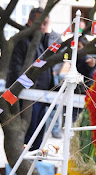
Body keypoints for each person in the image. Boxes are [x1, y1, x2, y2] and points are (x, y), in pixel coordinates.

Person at [6, 8, 60, 150]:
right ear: (30, 21)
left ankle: (35, 159)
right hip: (27, 96)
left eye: (46, 23)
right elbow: (15, 68)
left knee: (38, 134)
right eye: (40, 22)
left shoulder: (42, 40)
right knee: (28, 134)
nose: (43, 26)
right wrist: (20, 91)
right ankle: (24, 160)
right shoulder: (22, 40)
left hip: (41, 95)